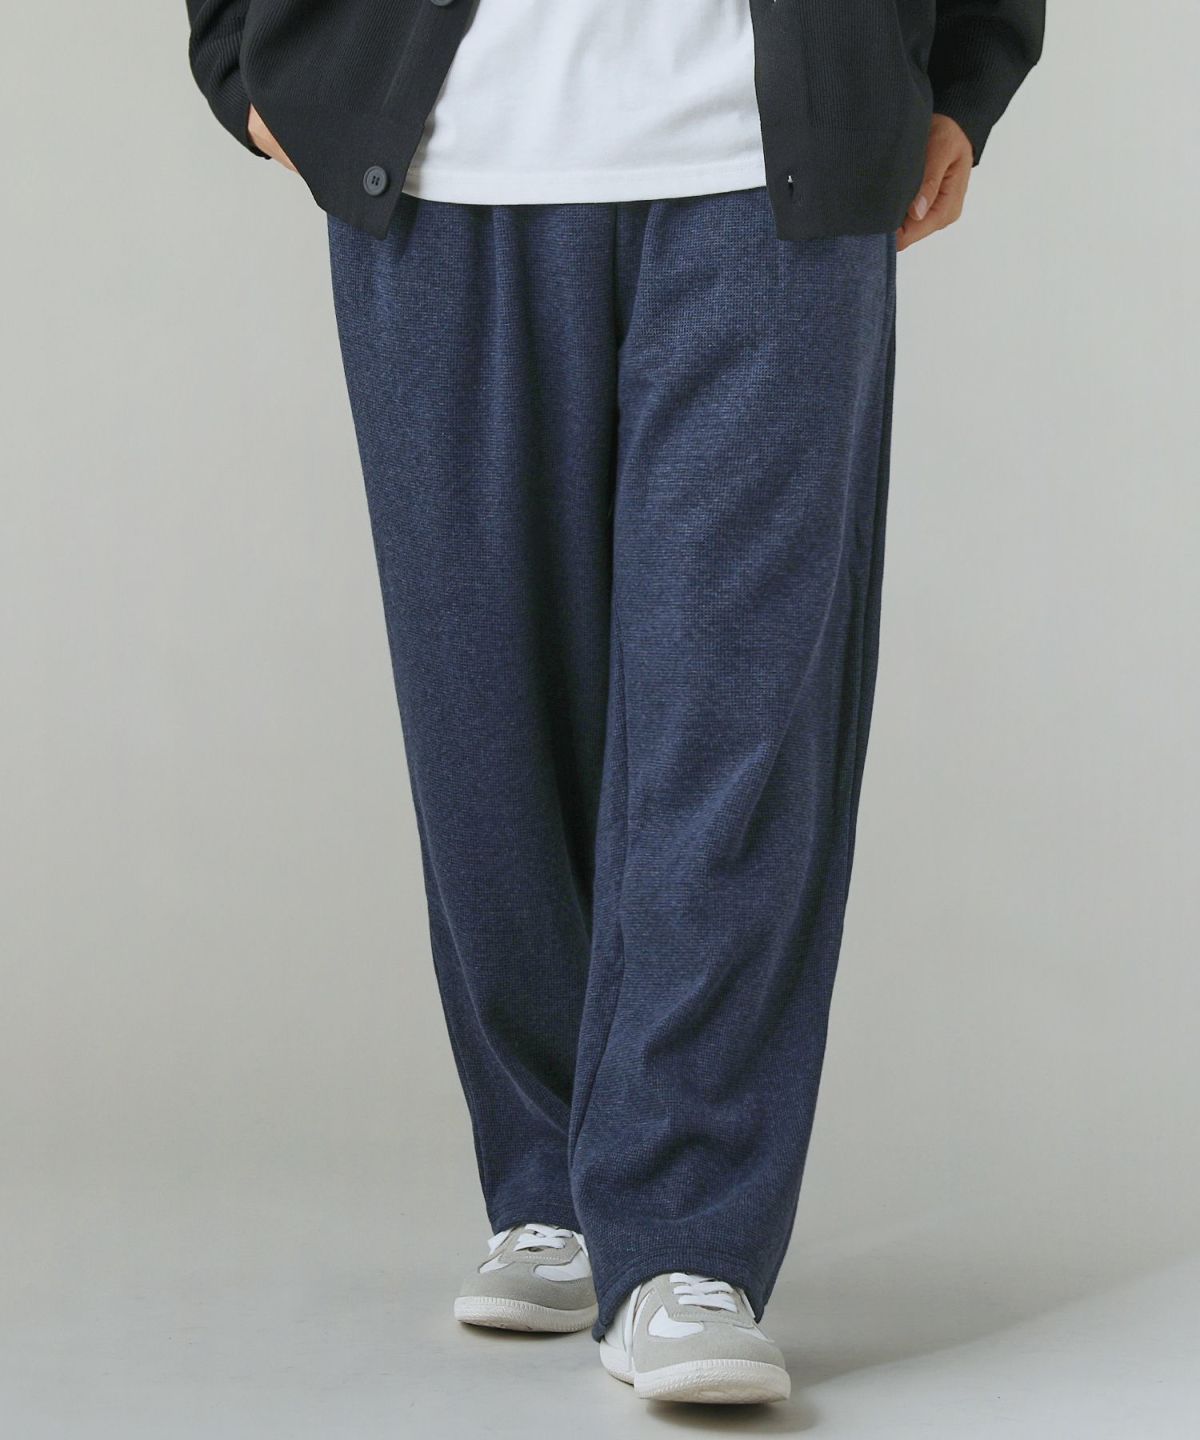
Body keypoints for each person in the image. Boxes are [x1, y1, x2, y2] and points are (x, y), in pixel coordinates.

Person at [186, 0, 1043, 1407]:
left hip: (773, 164)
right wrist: (240, 47)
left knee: (737, 722)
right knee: (483, 721)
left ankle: (684, 1241)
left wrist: (969, 69)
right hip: (444, 168)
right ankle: (554, 1182)